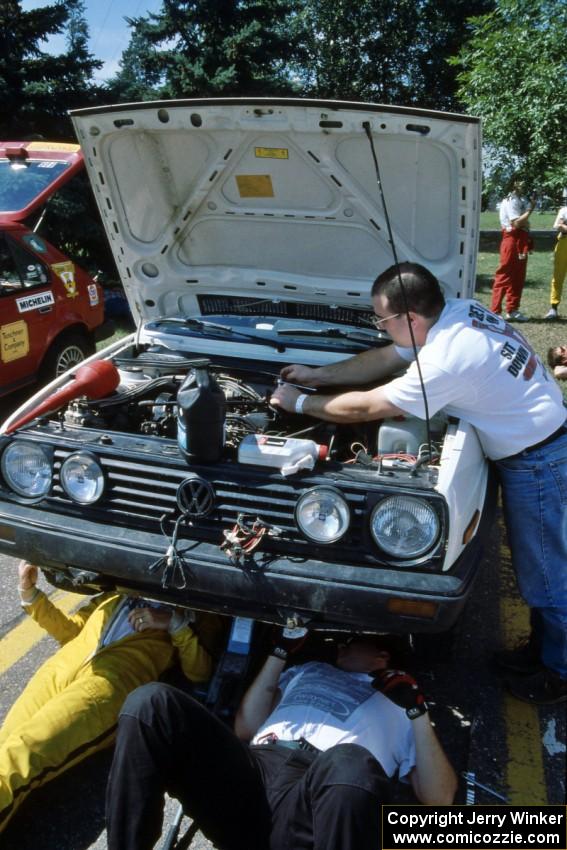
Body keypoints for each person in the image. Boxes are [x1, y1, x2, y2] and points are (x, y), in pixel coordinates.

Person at [270, 262, 567, 705]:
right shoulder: (459, 314)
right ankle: (544, 653)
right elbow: (387, 358)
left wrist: (301, 402)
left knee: (548, 577)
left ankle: (557, 674)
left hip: (539, 460)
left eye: (382, 319)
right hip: (539, 446)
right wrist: (320, 375)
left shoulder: (448, 357)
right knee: (544, 572)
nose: (381, 327)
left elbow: (368, 407)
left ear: (410, 318)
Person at [105, 632, 456, 850]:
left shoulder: (402, 703)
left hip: (318, 808)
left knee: (348, 759)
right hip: (252, 778)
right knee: (151, 702)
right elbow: (245, 727)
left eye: (351, 642)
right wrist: (279, 652)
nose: (341, 646)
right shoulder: (307, 671)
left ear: (382, 655)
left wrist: (417, 712)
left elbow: (439, 797)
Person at [0, 560, 220, 833]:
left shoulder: (195, 610)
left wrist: (173, 623)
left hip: (106, 689)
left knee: (19, 753)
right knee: (4, 744)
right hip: (59, 671)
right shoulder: (114, 594)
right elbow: (71, 633)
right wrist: (30, 594)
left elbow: (200, 672)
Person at [490, 176, 536, 322]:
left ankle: (513, 309)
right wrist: (530, 210)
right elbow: (516, 223)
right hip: (511, 239)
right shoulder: (511, 200)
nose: (523, 184)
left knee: (518, 277)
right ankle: (495, 311)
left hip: (521, 239)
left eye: (524, 181)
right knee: (504, 275)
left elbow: (524, 224)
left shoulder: (521, 199)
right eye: (519, 181)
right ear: (513, 183)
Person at [544, 205, 567, 320]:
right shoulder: (564, 210)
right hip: (564, 244)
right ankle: (553, 308)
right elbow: (558, 225)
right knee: (558, 276)